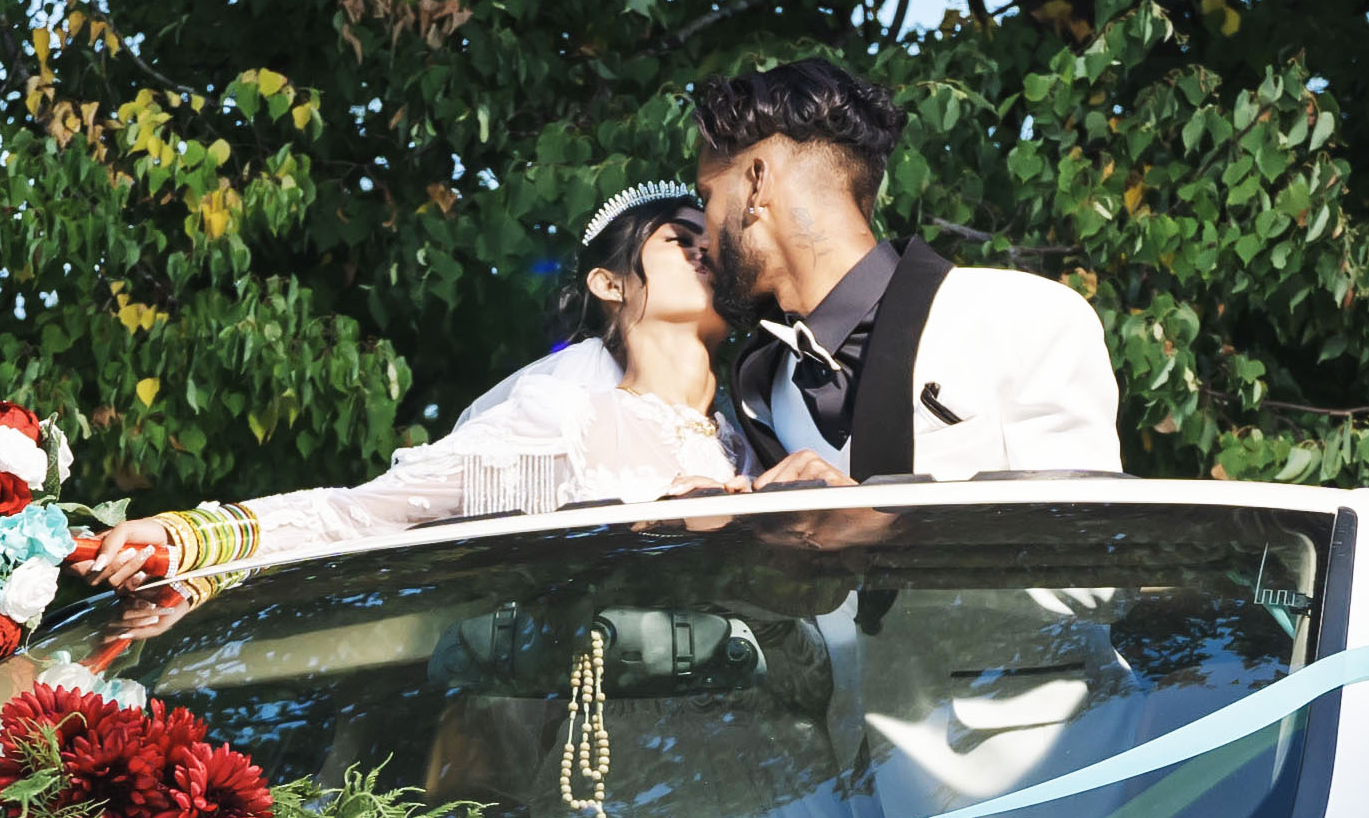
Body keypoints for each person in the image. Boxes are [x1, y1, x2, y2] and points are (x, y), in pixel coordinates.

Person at [77, 185, 831, 588]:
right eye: (679, 240)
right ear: (608, 281)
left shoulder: (762, 433)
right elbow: (362, 515)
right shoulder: (562, 425)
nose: (706, 252)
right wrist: (188, 536)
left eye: (714, 246)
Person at [692, 59, 1121, 481]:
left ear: (757, 183)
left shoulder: (1025, 314)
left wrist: (872, 520)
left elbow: (1079, 533)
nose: (704, 234)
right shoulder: (766, 385)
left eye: (706, 195)